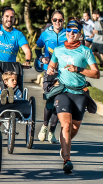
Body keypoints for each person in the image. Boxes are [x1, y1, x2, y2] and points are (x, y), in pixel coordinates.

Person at [46, 20, 100, 174]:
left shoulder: (85, 51)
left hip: (80, 93)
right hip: (63, 91)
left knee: (74, 128)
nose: (71, 33)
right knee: (66, 125)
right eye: (69, 30)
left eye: (74, 31)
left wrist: (79, 69)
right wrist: (50, 71)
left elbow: (96, 73)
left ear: (79, 34)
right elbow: (52, 66)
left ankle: (65, 144)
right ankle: (67, 159)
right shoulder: (58, 50)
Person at [35, 10, 67, 144]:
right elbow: (37, 48)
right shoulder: (45, 34)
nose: (57, 22)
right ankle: (44, 126)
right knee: (50, 99)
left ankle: (52, 132)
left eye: (60, 20)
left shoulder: (68, 34)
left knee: (58, 103)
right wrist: (42, 58)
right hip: (49, 71)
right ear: (51, 20)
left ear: (63, 21)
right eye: (55, 20)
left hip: (64, 73)